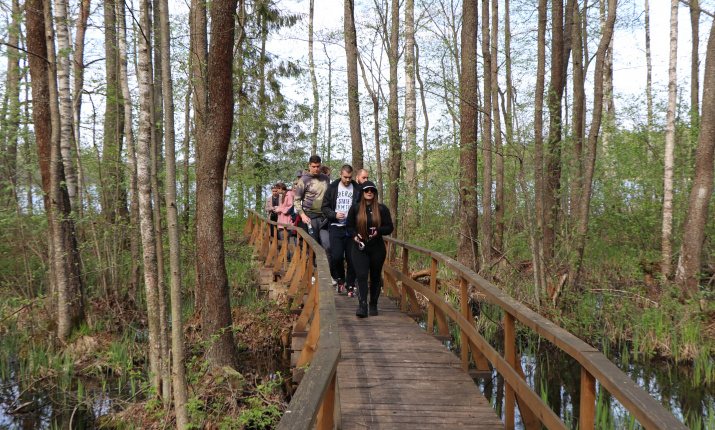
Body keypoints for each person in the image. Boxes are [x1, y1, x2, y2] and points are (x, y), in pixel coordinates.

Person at [346, 181, 393, 318]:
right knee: (361, 275)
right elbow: (349, 227)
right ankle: (362, 305)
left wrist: (378, 231)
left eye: (372, 190)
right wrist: (355, 235)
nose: (369, 192)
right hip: (360, 247)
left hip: (377, 247)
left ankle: (373, 303)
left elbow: (390, 227)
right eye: (367, 190)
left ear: (375, 193)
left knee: (375, 276)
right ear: (363, 192)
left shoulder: (382, 209)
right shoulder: (355, 209)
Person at [323, 164, 359, 296]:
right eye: (345, 177)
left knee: (352, 258)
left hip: (351, 229)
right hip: (336, 227)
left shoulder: (357, 188)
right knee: (337, 256)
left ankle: (350, 285)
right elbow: (325, 207)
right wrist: (334, 215)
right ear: (340, 175)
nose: (347, 180)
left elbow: (362, 208)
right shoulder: (332, 188)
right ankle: (340, 278)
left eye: (349, 177)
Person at [293, 155, 331, 256]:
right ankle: (313, 269)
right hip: (310, 217)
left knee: (327, 245)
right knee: (313, 247)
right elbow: (296, 200)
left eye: (318, 166)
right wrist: (302, 215)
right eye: (313, 166)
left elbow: (329, 197)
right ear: (309, 166)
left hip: (324, 218)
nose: (316, 169)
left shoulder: (325, 178)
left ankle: (328, 270)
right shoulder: (304, 180)